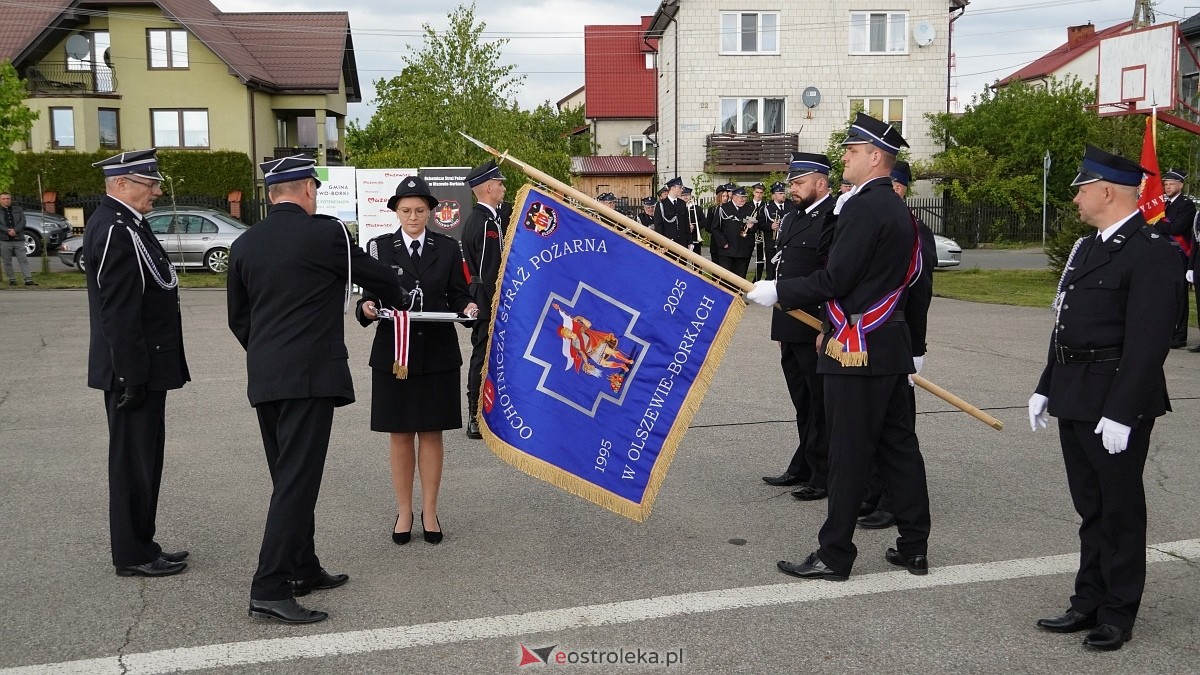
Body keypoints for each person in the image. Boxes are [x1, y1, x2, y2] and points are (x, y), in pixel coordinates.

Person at [746, 112, 932, 582]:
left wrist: (780, 291)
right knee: (898, 446)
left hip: (857, 346)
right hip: (888, 343)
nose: (844, 158)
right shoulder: (894, 208)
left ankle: (834, 554)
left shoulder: (865, 207)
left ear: (875, 157)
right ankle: (914, 545)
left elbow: (838, 278)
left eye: (851, 151)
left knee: (850, 451)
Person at [227, 155, 403, 624]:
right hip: (308, 376)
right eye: (315, 188)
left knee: (288, 476)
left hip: (266, 376)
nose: (316, 194)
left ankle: (301, 567)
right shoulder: (326, 233)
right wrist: (401, 294)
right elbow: (379, 275)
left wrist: (270, 354)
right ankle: (268, 587)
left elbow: (238, 319)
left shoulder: (245, 244)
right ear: (306, 189)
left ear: (270, 193)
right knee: (296, 482)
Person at [1028, 144, 1179, 651]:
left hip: (1115, 396)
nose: (1075, 199)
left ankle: (1117, 611)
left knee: (1118, 509)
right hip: (1074, 390)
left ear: (1107, 190)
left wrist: (1122, 411)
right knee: (1090, 507)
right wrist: (1046, 384)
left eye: (1081, 189)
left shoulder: (1153, 250)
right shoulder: (1088, 247)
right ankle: (1087, 600)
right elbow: (1063, 322)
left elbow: (1148, 341)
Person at [83, 149, 190, 578]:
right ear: (122, 184)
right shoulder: (113, 228)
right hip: (131, 371)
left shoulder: (129, 224)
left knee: (146, 460)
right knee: (132, 464)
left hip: (146, 367)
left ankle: (144, 542)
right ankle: (132, 554)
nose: (158, 191)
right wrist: (130, 375)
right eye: (150, 184)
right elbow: (118, 311)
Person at [357, 177, 477, 547]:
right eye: (406, 210)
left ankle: (429, 510)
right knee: (399, 433)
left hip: (437, 353)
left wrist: (469, 307)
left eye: (420, 210)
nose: (413, 216)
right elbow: (368, 298)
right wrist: (366, 307)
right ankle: (404, 511)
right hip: (395, 355)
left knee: (431, 433)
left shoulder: (446, 247)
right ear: (395, 211)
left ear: (431, 212)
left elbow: (458, 294)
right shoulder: (379, 248)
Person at [856, 159, 937, 530]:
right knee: (871, 427)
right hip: (865, 338)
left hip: (896, 342)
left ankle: (893, 502)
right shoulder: (873, 222)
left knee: (896, 432)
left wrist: (917, 349)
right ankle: (873, 493)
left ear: (900, 188)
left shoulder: (915, 231)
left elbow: (919, 294)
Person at [760, 153, 835, 503]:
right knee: (802, 402)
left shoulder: (833, 218)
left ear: (821, 182)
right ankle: (803, 464)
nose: (793, 188)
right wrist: (781, 331)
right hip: (791, 325)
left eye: (799, 182)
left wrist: (827, 326)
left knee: (820, 404)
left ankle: (822, 475)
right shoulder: (791, 217)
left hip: (814, 325)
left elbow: (829, 277)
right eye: (791, 182)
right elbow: (783, 273)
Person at [462, 160, 508, 440]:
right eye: (500, 184)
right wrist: (497, 304)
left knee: (490, 356)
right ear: (489, 187)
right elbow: (487, 270)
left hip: (489, 298)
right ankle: (474, 415)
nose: (504, 188)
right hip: (487, 300)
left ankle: (487, 412)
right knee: (481, 357)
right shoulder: (482, 222)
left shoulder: (490, 218)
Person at [1157, 169, 1195, 349]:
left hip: (1179, 254)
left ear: (1180, 185)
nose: (1167, 187)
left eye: (1171, 183)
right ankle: (1166, 331)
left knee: (1179, 296)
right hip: (1163, 253)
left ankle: (1179, 336)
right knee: (1164, 295)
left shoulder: (1186, 204)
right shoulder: (1162, 204)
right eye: (1165, 184)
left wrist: (1157, 223)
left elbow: (1177, 228)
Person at [712, 186, 755, 278]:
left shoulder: (750, 209)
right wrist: (723, 243)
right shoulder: (723, 208)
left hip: (742, 249)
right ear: (734, 197)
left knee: (740, 277)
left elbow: (755, 228)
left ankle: (738, 293)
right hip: (727, 249)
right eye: (741, 197)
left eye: (745, 197)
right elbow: (715, 228)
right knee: (726, 277)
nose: (743, 199)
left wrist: (751, 227)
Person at [0, 192, 35, 286]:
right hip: (4, 239)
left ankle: (28, 279)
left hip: (18, 238)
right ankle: (12, 279)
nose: (6, 200)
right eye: (4, 199)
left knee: (23, 259)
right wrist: (7, 230)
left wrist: (15, 230)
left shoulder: (18, 210)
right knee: (7, 261)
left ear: (11, 199)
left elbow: (23, 221)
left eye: (8, 198)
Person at [760, 181, 792, 282]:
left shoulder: (791, 205)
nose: (783, 195)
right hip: (772, 243)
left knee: (786, 270)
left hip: (787, 243)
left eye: (784, 193)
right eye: (780, 193)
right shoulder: (766, 207)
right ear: (774, 195)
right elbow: (760, 224)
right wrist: (770, 226)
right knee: (771, 270)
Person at [653, 177, 688, 247]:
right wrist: (660, 244)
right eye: (680, 187)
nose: (682, 190)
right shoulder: (661, 204)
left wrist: (689, 241)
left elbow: (686, 224)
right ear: (673, 188)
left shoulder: (682, 203)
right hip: (668, 243)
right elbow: (658, 226)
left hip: (682, 242)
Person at [705, 184, 731, 264]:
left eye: (726, 196)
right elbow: (708, 226)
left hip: (727, 241)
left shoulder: (729, 209)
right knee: (715, 263)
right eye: (723, 196)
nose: (725, 198)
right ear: (719, 197)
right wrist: (718, 234)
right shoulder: (712, 209)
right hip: (715, 242)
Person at [681, 186, 703, 255]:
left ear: (690, 196)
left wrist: (694, 226)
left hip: (695, 237)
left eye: (687, 195)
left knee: (697, 262)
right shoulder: (679, 209)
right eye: (683, 195)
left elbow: (704, 222)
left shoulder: (698, 209)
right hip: (683, 239)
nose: (685, 197)